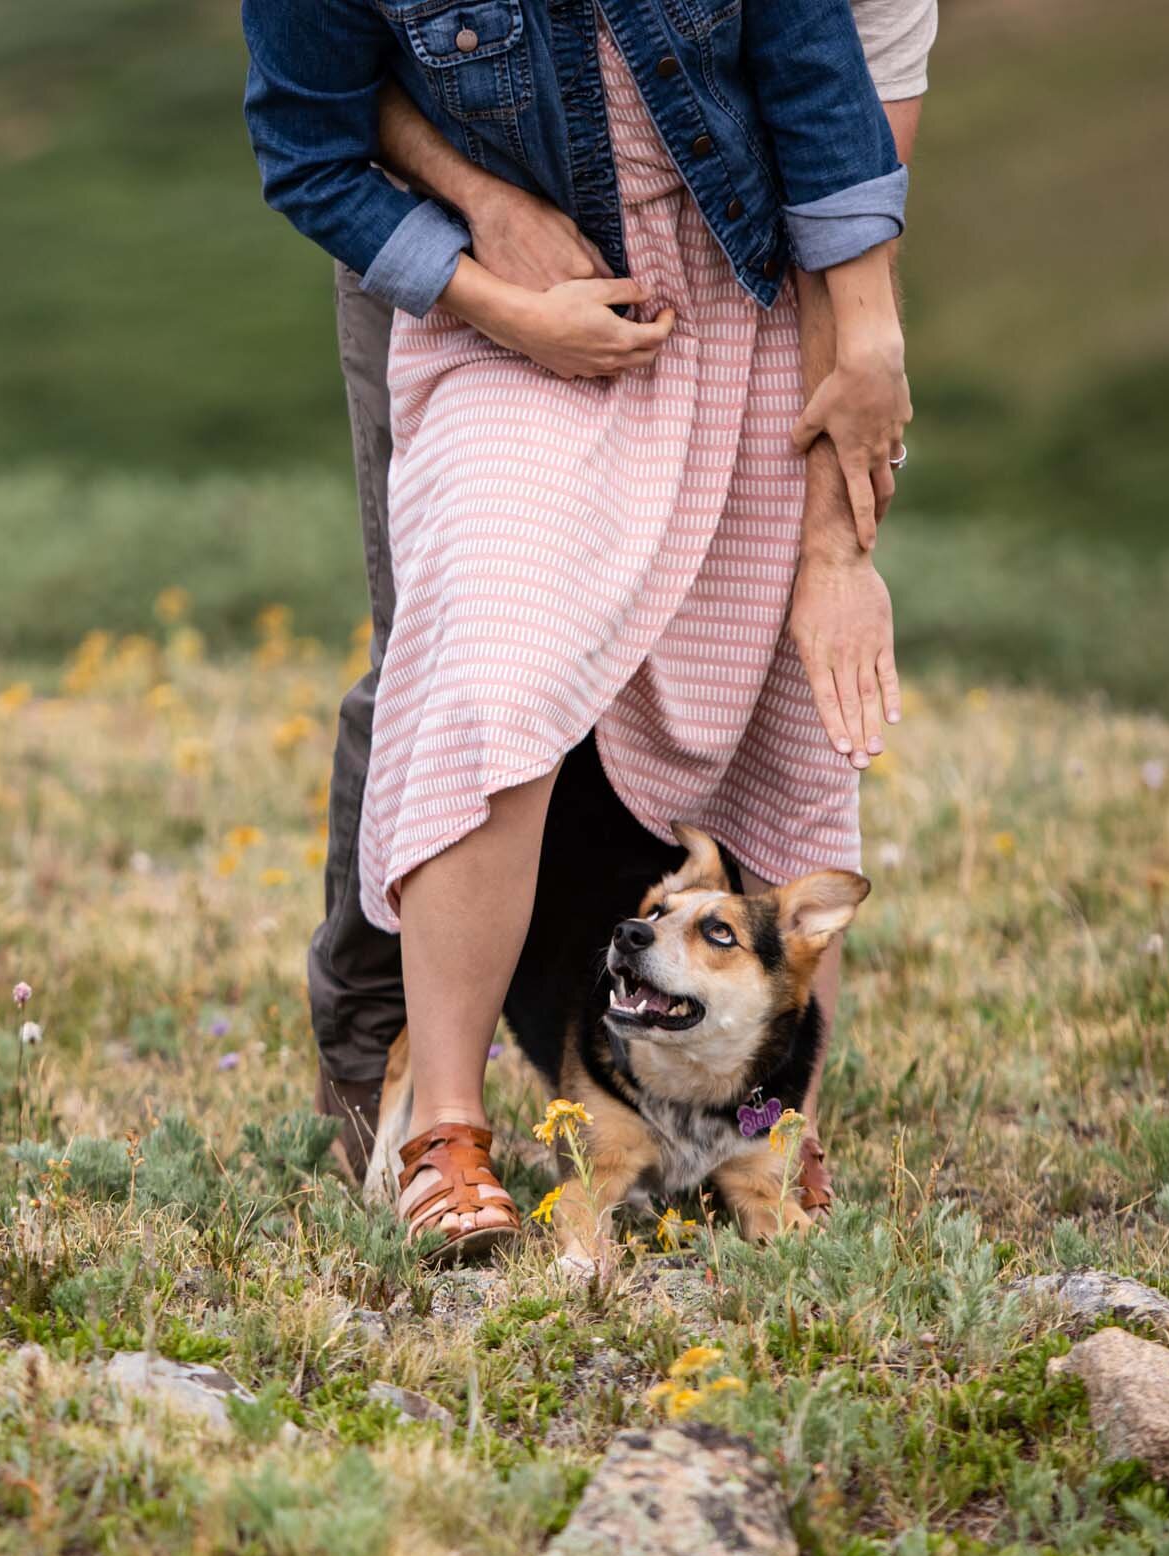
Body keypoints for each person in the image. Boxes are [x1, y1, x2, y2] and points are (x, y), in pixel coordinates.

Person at [246, 0, 921, 1257]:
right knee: (484, 678)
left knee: (783, 722)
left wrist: (865, 364)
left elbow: (820, 86)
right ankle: (443, 1130)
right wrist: (498, 300)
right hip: (502, 310)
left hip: (742, 291)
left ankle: (769, 1133)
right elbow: (309, 141)